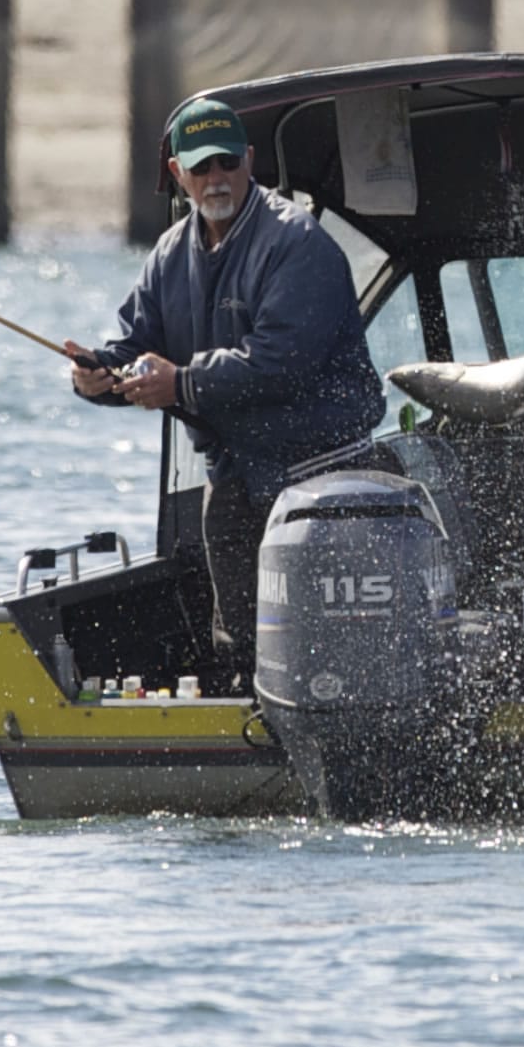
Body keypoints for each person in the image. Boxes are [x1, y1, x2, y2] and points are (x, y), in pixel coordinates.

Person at [65, 97, 385, 694]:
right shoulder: (167, 254)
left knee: (328, 654)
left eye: (228, 162)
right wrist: (97, 377)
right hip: (235, 482)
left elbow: (279, 365)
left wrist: (180, 383)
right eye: (202, 166)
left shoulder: (296, 243)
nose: (216, 178)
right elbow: (136, 347)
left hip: (323, 479)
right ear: (176, 175)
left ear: (250, 162)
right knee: (242, 646)